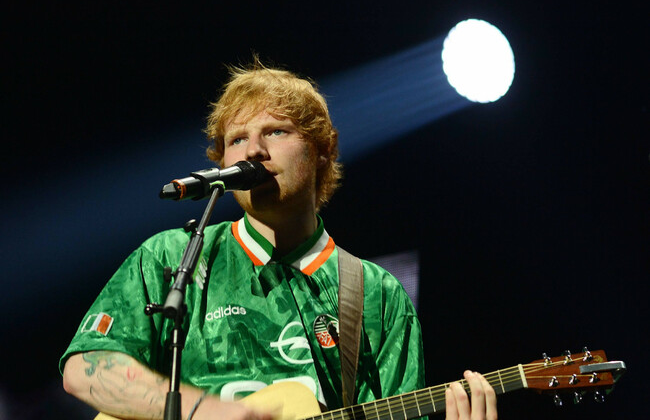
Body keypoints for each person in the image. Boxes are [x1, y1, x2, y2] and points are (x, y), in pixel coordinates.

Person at [61, 59, 497, 420]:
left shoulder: (376, 294)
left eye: (275, 131)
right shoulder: (172, 257)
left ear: (323, 148)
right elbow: (84, 369)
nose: (253, 151)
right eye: (237, 139)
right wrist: (209, 412)